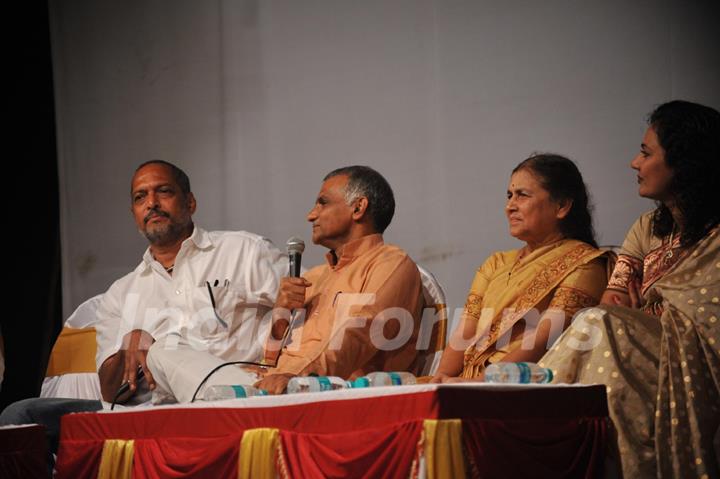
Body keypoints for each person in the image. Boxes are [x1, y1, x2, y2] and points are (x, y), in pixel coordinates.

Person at [0, 160, 287, 458]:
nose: (151, 203)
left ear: (190, 201)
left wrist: (284, 370)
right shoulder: (121, 293)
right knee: (22, 415)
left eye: (163, 191)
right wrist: (128, 348)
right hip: (147, 412)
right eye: (140, 197)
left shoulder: (242, 251)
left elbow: (306, 306)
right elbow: (110, 394)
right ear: (134, 214)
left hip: (226, 399)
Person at [540, 100, 720, 478]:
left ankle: (525, 414)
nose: (634, 164)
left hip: (690, 364)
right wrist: (649, 313)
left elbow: (706, 323)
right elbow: (616, 303)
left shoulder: (714, 237)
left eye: (645, 153)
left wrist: (656, 314)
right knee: (602, 332)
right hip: (637, 349)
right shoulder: (647, 228)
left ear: (685, 162)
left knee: (600, 328)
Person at [431, 154, 608, 382]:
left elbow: (543, 340)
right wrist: (441, 378)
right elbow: (465, 330)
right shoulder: (496, 263)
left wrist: (479, 382)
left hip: (522, 386)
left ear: (562, 206)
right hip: (466, 382)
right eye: (509, 196)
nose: (509, 207)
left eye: (522, 195)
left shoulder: (585, 264)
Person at [254, 165, 424, 394]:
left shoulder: (391, 263)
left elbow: (359, 335)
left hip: (339, 396)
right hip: (275, 388)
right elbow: (270, 360)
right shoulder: (313, 277)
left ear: (358, 208)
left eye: (322, 203)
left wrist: (299, 380)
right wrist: (280, 315)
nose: (311, 215)